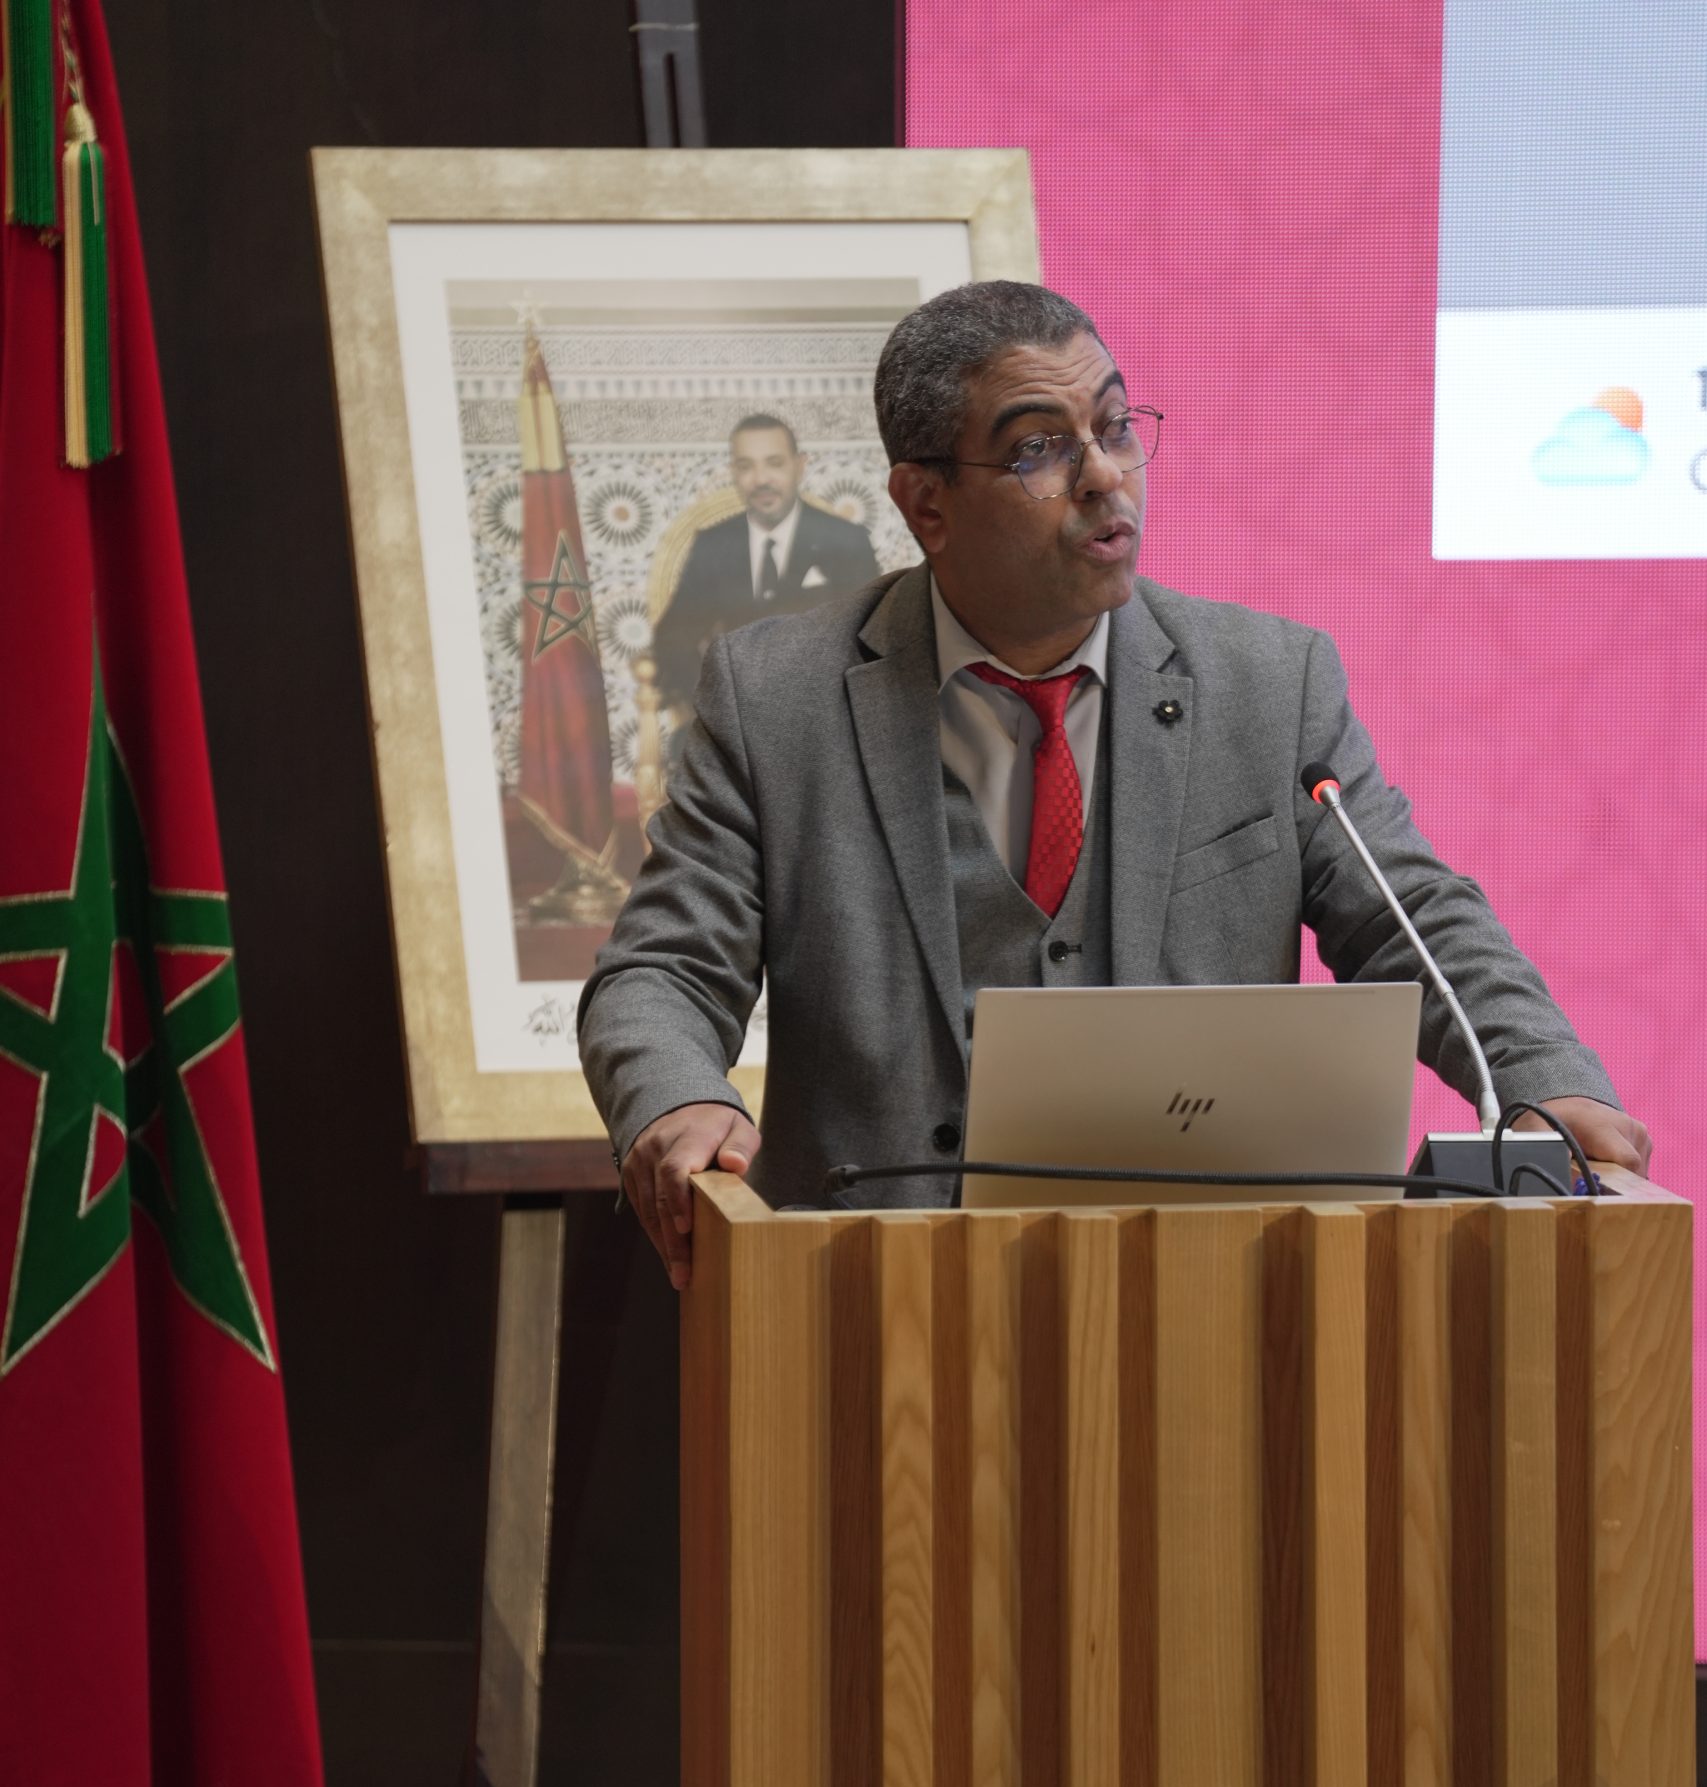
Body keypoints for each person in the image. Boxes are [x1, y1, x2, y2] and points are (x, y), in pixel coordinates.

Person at [580, 281, 1649, 1288]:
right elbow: (662, 968)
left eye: (1116, 426)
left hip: (1210, 1293)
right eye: (1039, 448)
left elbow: (1411, 917)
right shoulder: (780, 698)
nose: (1105, 476)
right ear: (927, 505)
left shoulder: (1267, 685)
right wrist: (678, 1102)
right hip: (871, 1303)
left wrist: (1543, 1076)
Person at [649, 411, 881, 706]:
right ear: (733, 472)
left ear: (799, 466)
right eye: (746, 466)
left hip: (822, 709)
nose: (760, 480)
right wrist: (713, 699)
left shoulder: (845, 541)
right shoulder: (714, 545)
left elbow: (869, 637)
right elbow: (672, 637)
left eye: (774, 463)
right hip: (737, 712)